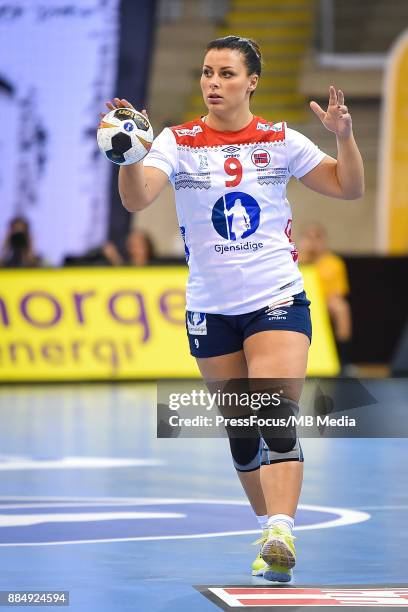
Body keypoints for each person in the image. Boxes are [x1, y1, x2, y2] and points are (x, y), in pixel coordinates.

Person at [103, 35, 364, 582]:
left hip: (275, 297)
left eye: (225, 73)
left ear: (251, 82)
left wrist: (345, 137)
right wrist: (129, 152)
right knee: (242, 430)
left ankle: (281, 530)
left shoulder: (280, 139)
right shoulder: (177, 141)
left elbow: (348, 187)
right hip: (210, 308)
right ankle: (267, 528)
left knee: (272, 414)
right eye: (206, 73)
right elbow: (136, 199)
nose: (213, 83)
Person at [298, 222, 353, 372]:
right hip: (300, 300)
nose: (313, 242)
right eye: (309, 237)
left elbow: (338, 292)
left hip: (325, 300)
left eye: (317, 237)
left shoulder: (333, 263)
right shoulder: (295, 261)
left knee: (342, 308)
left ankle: (343, 359)